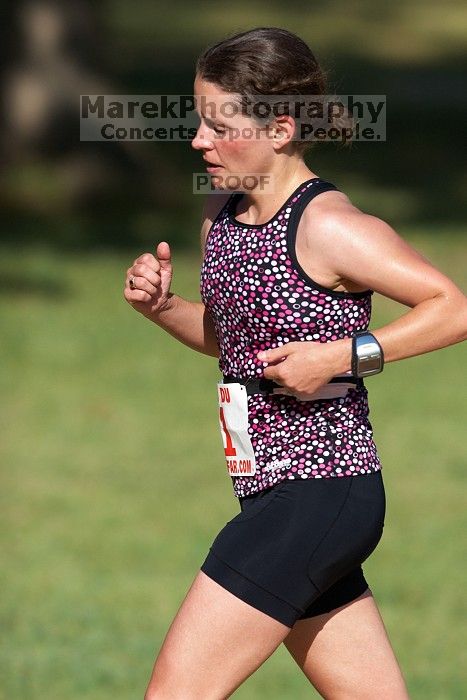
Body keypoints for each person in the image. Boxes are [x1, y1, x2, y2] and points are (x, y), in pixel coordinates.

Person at [124, 27, 466, 700]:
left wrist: (344, 355)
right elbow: (232, 345)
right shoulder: (221, 219)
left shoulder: (329, 226)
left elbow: (451, 308)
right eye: (198, 121)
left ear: (280, 128)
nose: (199, 140)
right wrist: (163, 308)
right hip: (273, 492)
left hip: (318, 494)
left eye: (220, 126)